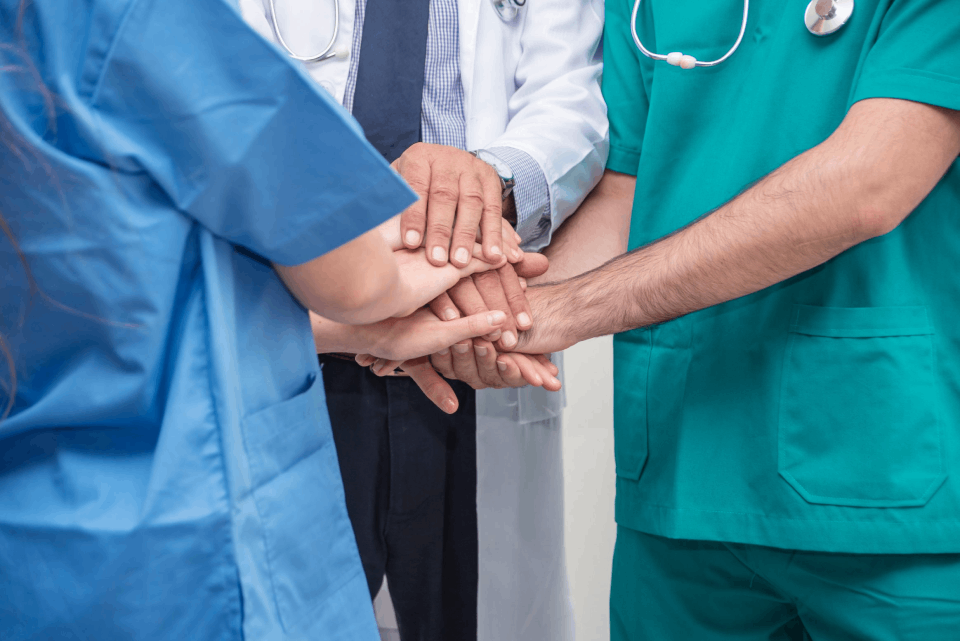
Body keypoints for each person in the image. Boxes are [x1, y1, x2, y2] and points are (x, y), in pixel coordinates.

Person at [0, 0, 513, 638]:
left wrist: (358, 323)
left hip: (27, 548)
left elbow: (117, 298)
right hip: (181, 548)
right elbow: (348, 271)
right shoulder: (130, 18)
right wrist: (460, 257)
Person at [500, 0, 960, 638]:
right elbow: (623, 195)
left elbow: (867, 183)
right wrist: (500, 316)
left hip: (887, 481)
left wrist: (566, 310)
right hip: (682, 481)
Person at [238, 1, 607, 640]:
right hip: (297, 311)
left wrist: (483, 187)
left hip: (468, 327)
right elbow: (230, 101)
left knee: (471, 611)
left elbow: (571, 100)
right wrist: (373, 240)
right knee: (288, 610)